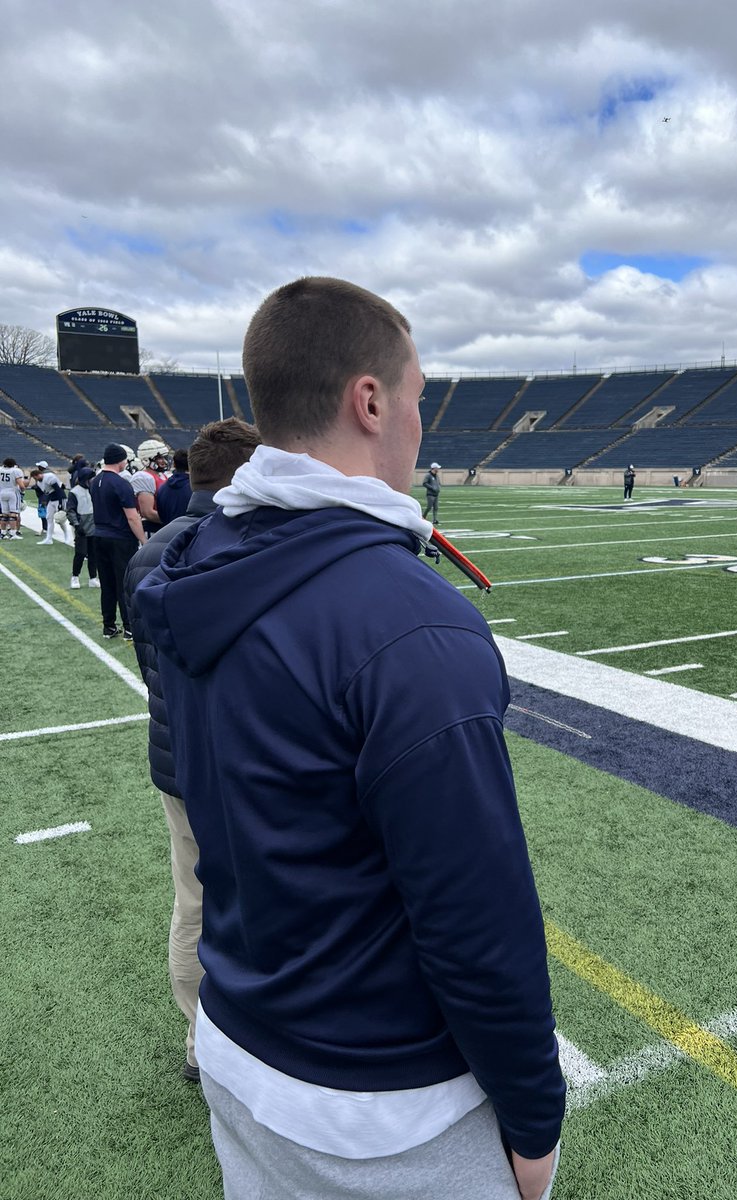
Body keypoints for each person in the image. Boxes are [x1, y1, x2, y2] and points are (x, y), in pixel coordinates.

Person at [134, 277, 565, 1200]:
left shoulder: (195, 564)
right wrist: (534, 1116)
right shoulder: (410, 626)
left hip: (241, 1040)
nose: (420, 423)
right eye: (415, 398)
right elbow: (473, 916)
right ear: (368, 401)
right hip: (375, 1103)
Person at [123, 418, 261, 1083]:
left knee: (194, 903)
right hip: (230, 765)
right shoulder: (239, 547)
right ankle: (228, 1045)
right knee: (246, 904)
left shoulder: (153, 550)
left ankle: (199, 1041)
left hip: (172, 756)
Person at [90, 444, 147, 638]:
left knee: (107, 584)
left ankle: (109, 625)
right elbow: (132, 517)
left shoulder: (95, 481)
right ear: (120, 460)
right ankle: (129, 626)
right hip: (120, 539)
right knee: (124, 583)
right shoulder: (121, 483)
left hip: (99, 535)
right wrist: (143, 540)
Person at [66, 467, 100, 588]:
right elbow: (70, 510)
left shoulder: (95, 490)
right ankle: (75, 577)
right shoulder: (75, 492)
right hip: (82, 527)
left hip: (94, 527)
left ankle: (93, 578)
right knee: (80, 553)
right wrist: (76, 524)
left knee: (93, 554)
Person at [131, 438, 172, 533]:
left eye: (164, 457)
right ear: (147, 460)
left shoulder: (163, 475)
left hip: (162, 526)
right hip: (152, 529)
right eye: (160, 458)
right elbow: (148, 513)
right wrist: (172, 519)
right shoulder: (143, 477)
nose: (164, 461)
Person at [155, 448, 192, 525]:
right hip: (190, 533)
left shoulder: (162, 488)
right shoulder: (195, 489)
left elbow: (161, 516)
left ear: (174, 464)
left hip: (168, 532)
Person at [33, 460, 66, 545]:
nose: (35, 479)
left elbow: (58, 489)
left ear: (39, 474)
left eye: (35, 477)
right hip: (51, 499)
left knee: (60, 519)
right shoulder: (39, 482)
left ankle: (67, 536)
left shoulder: (49, 476)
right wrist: (46, 502)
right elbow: (46, 492)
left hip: (59, 498)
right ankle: (49, 538)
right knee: (48, 518)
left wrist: (60, 503)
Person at [0, 457, 25, 539]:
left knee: (4, 514)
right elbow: (21, 485)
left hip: (2, 492)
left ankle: (3, 533)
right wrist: (22, 490)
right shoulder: (16, 471)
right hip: (12, 492)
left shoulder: (0, 469)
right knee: (13, 514)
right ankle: (13, 534)